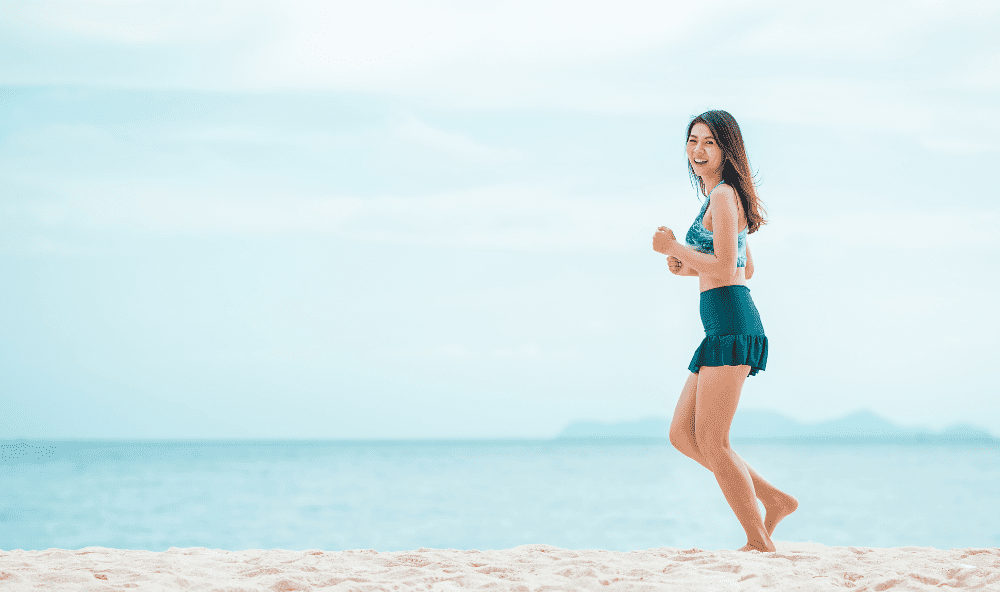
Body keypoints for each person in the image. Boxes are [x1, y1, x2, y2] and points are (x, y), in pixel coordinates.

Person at [651, 110, 797, 553]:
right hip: (719, 322)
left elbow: (731, 272)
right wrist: (683, 265)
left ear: (726, 150)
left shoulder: (723, 196)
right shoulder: (719, 197)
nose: (698, 150)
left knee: (713, 441)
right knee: (683, 435)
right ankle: (773, 498)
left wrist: (674, 247)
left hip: (731, 320)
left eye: (709, 142)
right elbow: (744, 264)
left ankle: (759, 541)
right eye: (693, 141)